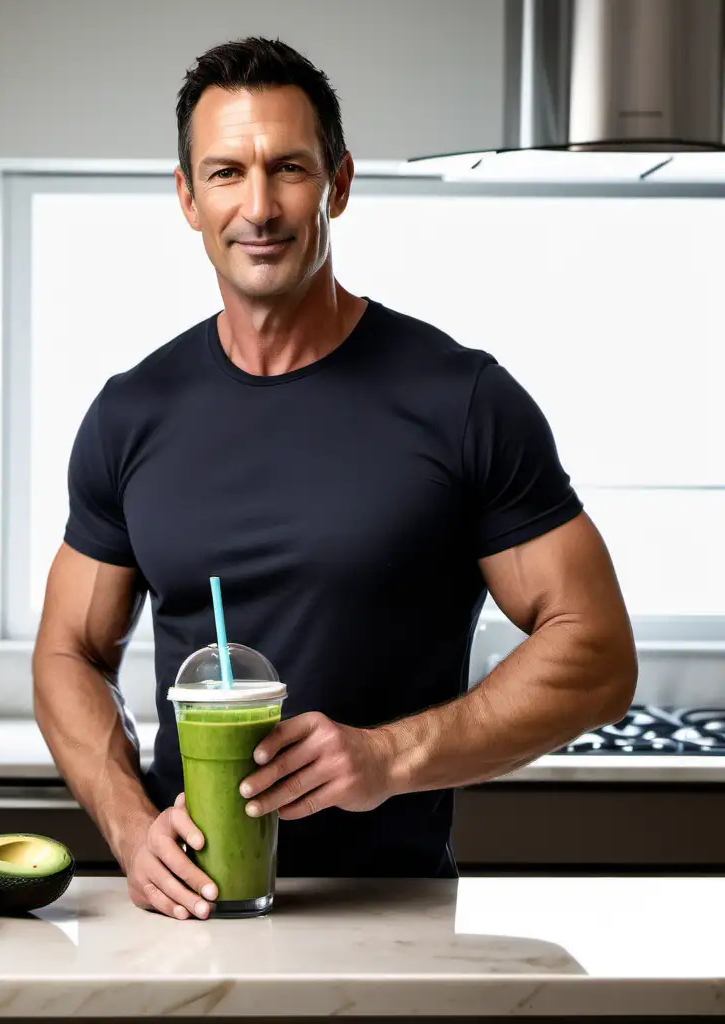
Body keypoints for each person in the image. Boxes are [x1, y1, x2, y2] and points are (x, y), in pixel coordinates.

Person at [32, 36, 637, 921]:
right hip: (190, 914)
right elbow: (65, 655)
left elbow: (597, 652)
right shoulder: (132, 414)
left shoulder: (461, 400)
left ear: (339, 184)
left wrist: (391, 756)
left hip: (392, 918)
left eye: (290, 169)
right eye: (227, 173)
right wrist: (130, 827)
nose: (261, 206)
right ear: (187, 198)